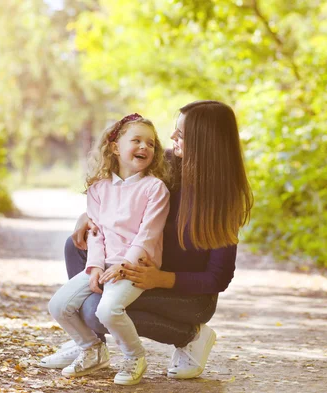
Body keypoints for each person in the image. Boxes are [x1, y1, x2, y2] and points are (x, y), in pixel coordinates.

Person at [41, 100, 253, 379]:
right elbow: (120, 196)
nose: (172, 137)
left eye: (182, 134)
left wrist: (159, 279)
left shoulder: (224, 198)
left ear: (205, 142)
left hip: (187, 294)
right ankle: (90, 347)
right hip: (139, 267)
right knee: (76, 246)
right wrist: (89, 216)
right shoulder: (163, 165)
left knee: (95, 311)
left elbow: (218, 277)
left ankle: (191, 336)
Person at [47, 113, 170, 386]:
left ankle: (134, 356)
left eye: (150, 143)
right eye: (136, 140)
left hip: (136, 266)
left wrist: (123, 265)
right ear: (115, 148)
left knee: (107, 310)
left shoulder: (154, 188)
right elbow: (96, 234)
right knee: (58, 305)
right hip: (106, 265)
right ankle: (92, 349)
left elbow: (147, 235)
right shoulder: (99, 189)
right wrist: (95, 268)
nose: (144, 147)